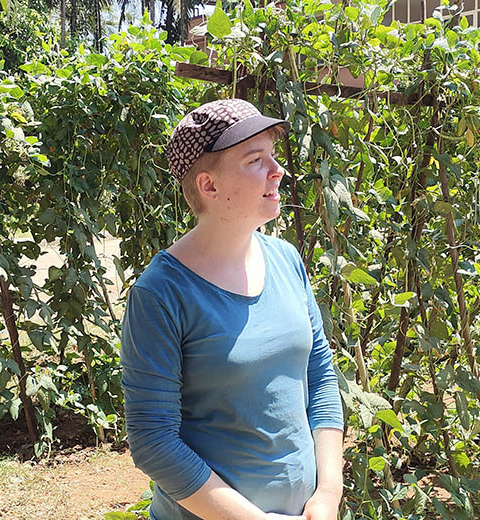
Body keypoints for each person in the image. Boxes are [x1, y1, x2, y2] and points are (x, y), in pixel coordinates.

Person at [120, 99, 345, 520]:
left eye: (272, 157)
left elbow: (320, 377)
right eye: (255, 160)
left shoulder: (286, 259)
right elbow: (153, 442)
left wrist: (328, 494)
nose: (277, 171)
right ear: (208, 186)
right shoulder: (161, 294)